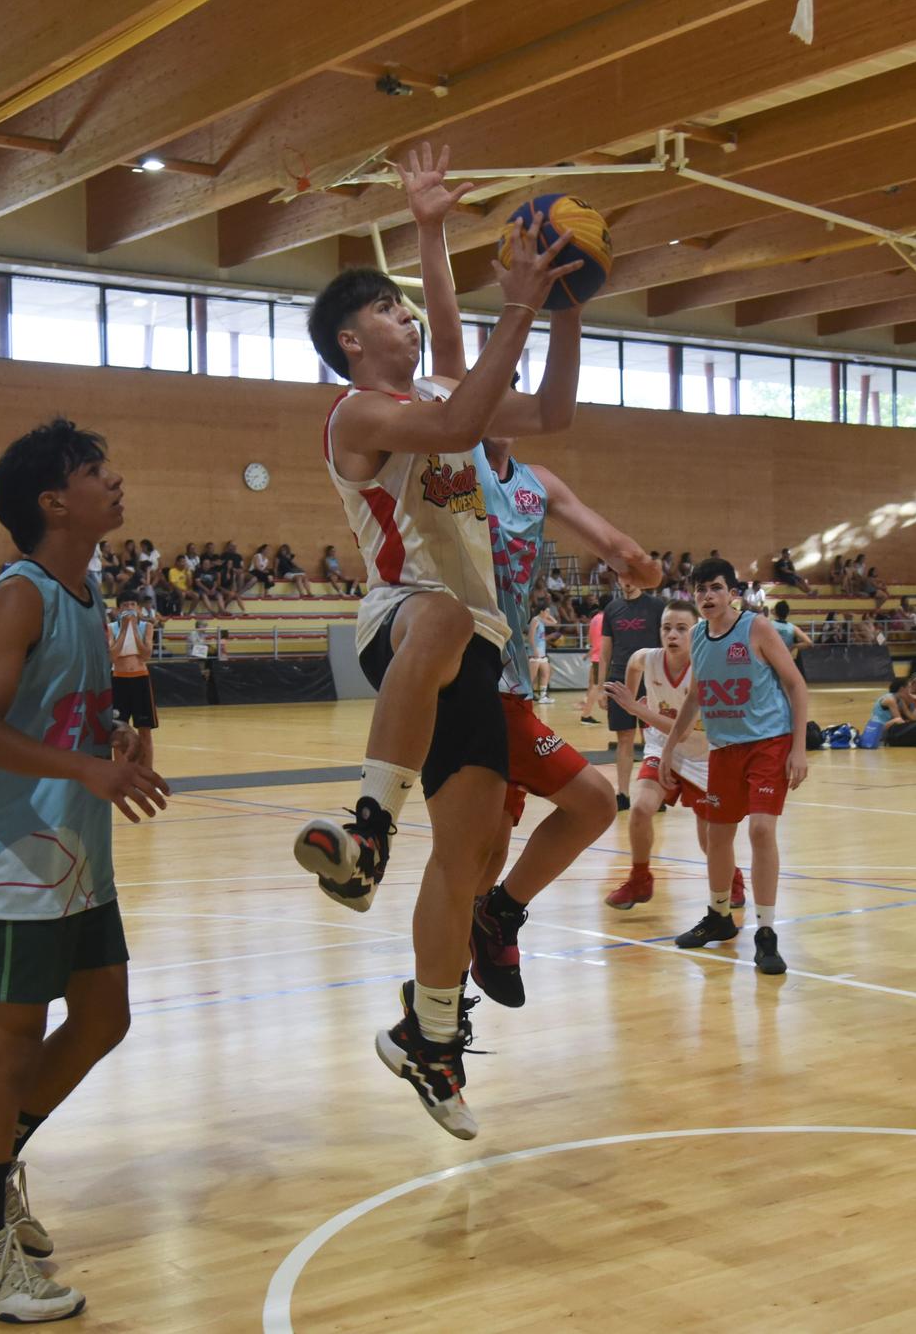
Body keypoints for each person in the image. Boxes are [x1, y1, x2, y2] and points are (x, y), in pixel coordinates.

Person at [291, 142, 585, 1140]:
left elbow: (545, 409)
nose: (410, 318)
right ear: (349, 337)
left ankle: (426, 1036)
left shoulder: (433, 396)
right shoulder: (359, 414)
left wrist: (564, 304)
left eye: (410, 307)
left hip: (476, 648)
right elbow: (463, 407)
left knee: (466, 855)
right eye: (391, 311)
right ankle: (367, 823)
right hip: (402, 619)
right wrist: (511, 301)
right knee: (446, 613)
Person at [0, 419, 167, 1324]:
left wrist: (116, 743)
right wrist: (89, 769)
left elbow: (55, 716)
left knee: (106, 1014)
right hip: (15, 856)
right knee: (12, 1037)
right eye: (98, 472)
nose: (117, 481)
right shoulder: (20, 594)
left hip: (75, 850)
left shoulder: (87, 591)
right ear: (53, 501)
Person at [464, 432, 654, 1012]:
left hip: (512, 683)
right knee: (593, 804)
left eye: (517, 386)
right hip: (471, 681)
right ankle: (489, 929)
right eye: (499, 384)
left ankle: (451, 988)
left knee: (489, 850)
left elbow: (613, 542)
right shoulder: (450, 466)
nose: (511, 398)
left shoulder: (536, 482)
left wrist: (637, 563)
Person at [658, 557, 811, 976]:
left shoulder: (756, 628)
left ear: (732, 594)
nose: (707, 596)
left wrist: (799, 748)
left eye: (715, 588)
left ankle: (765, 931)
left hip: (768, 743)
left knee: (761, 830)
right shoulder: (698, 638)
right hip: (724, 748)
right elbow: (696, 696)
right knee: (716, 835)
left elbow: (796, 684)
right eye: (700, 589)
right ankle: (720, 916)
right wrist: (670, 747)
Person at [603, 600, 744, 910]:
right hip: (661, 749)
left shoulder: (707, 669)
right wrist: (632, 696)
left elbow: (682, 730)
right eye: (667, 628)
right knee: (640, 809)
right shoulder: (648, 658)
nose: (673, 635)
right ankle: (640, 879)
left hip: (703, 756)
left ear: (697, 633)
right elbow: (633, 663)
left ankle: (732, 879)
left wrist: (635, 707)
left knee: (708, 840)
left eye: (682, 629)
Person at [602, 575, 667, 811]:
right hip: (619, 679)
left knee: (652, 737)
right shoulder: (612, 608)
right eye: (622, 577)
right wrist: (601, 686)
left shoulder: (657, 606)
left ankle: (654, 791)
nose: (627, 581)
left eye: (631, 577)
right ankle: (623, 793)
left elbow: (665, 644)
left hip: (650, 679)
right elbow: (605, 651)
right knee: (624, 738)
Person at [108, 591, 158, 768]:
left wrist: (134, 629)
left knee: (145, 732)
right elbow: (112, 656)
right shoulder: (112, 628)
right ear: (118, 609)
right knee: (119, 732)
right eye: (125, 605)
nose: (129, 608)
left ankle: (148, 774)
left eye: (132, 605)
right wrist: (123, 629)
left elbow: (146, 654)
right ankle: (120, 775)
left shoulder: (147, 627)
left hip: (140, 679)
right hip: (119, 681)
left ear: (138, 608)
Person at [580, 604, 605, 725]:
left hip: (596, 656)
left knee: (594, 684)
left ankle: (588, 711)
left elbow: (590, 640)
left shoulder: (594, 619)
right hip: (602, 657)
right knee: (596, 686)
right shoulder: (605, 618)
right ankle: (586, 715)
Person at [528, 602, 557, 703]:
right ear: (541, 611)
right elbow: (530, 637)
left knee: (546, 673)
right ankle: (528, 695)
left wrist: (549, 615)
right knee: (532, 677)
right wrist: (534, 650)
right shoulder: (535, 620)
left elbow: (555, 622)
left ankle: (543, 696)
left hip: (542, 654)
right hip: (535, 654)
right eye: (547, 611)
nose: (548, 613)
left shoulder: (541, 620)